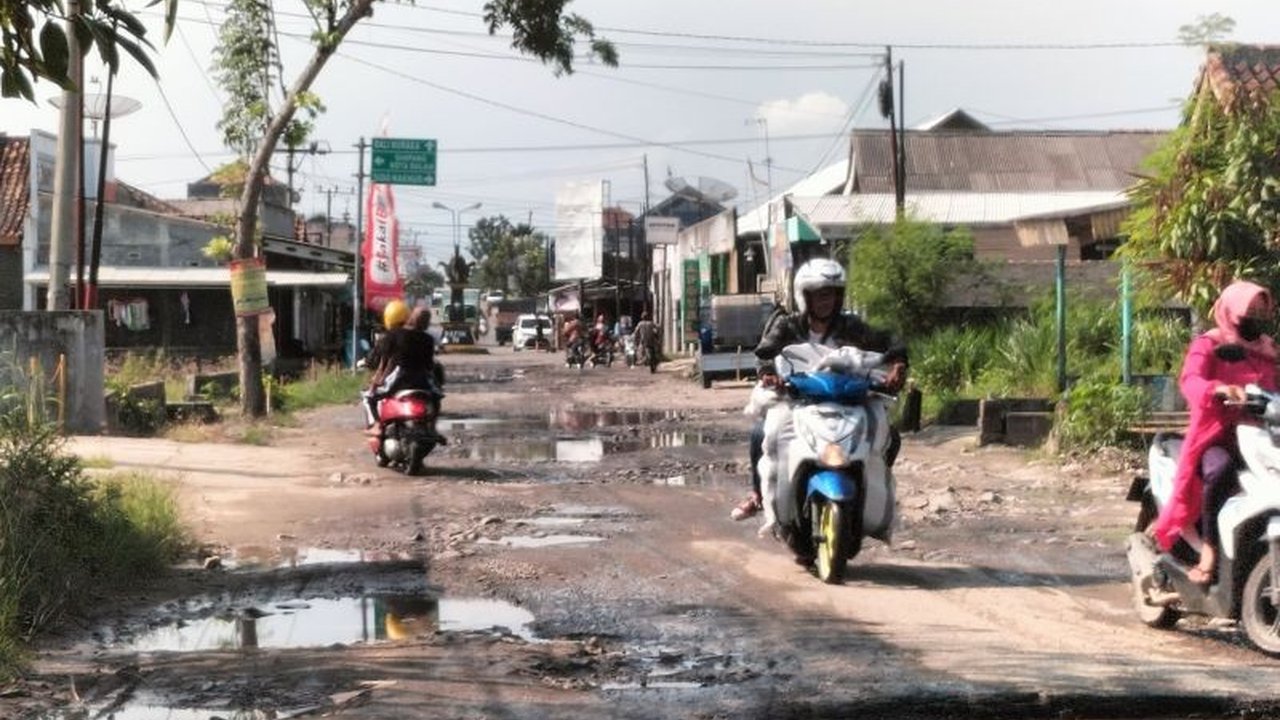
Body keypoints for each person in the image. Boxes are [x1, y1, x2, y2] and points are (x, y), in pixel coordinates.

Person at [731, 257, 908, 523]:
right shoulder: (788, 325)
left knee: (890, 436)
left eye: (832, 296)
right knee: (761, 433)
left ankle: (869, 491)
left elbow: (889, 342)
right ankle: (758, 493)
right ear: (805, 298)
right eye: (820, 296)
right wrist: (769, 374)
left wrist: (898, 364)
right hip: (798, 398)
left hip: (847, 398)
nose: (827, 302)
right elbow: (766, 353)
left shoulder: (852, 326)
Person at [1152, 280, 1278, 585]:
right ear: (1231, 310)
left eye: (1261, 310)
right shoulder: (1209, 345)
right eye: (1249, 310)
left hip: (1262, 435)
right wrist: (1217, 389)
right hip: (1216, 433)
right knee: (1221, 472)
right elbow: (1190, 381)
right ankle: (1208, 552)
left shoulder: (1268, 348)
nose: (1255, 317)